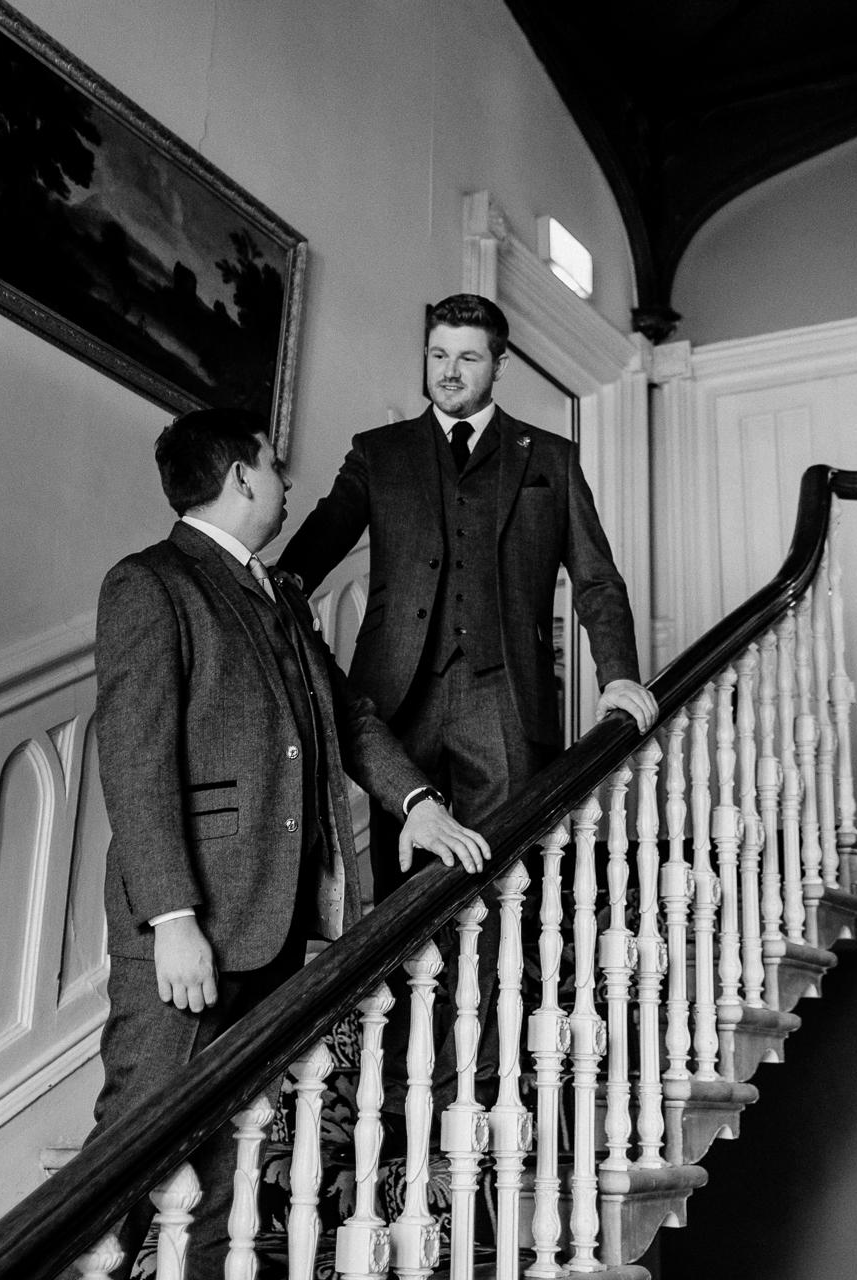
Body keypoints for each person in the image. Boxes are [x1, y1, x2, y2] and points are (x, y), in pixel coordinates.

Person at [86, 407, 489, 1280]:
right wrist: (172, 916)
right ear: (239, 478)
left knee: (235, 1144)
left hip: (274, 920)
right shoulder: (149, 584)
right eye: (274, 465)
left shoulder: (274, 591)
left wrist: (414, 799)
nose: (287, 481)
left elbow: (344, 712)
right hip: (193, 926)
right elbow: (135, 759)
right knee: (131, 1144)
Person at [276, 293, 657, 1109]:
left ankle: (476, 1077)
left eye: (468, 358)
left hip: (504, 699)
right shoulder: (378, 453)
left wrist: (619, 671)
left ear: (499, 363)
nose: (449, 372)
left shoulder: (548, 456)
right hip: (396, 703)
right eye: (439, 355)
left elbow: (594, 577)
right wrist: (278, 593)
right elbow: (313, 543)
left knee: (503, 883)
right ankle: (397, 1066)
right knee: (400, 883)